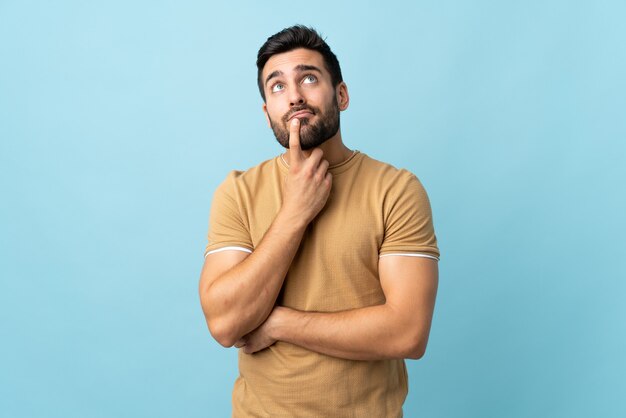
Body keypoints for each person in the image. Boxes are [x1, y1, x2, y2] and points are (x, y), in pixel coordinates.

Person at [198, 25, 440, 417]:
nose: (293, 97)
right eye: (276, 87)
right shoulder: (238, 192)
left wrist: (278, 324)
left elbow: (408, 332)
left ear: (340, 95)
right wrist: (295, 212)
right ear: (267, 112)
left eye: (308, 78)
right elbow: (225, 323)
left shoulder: (396, 190)